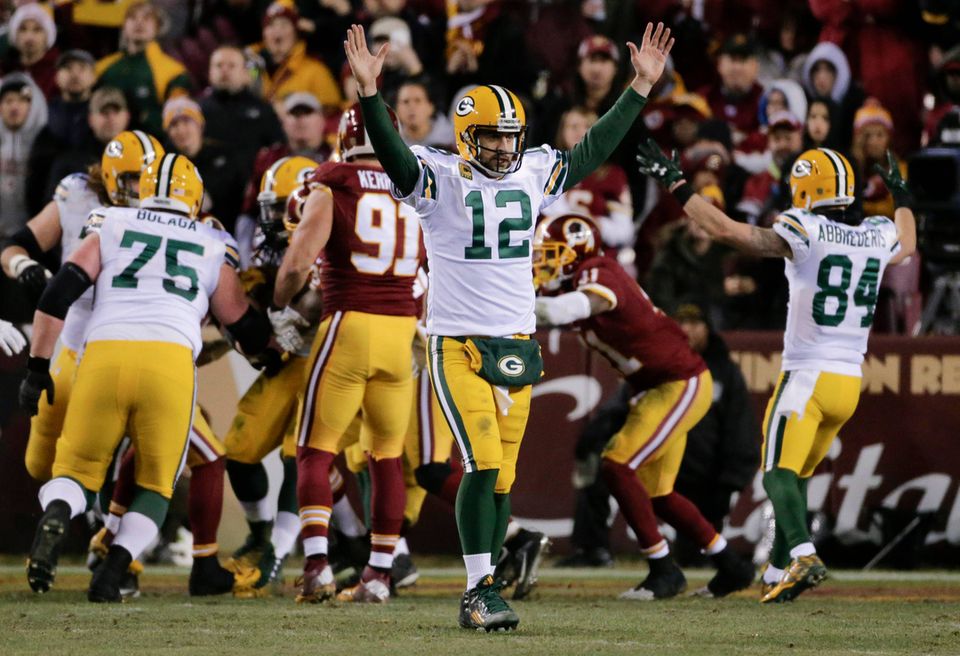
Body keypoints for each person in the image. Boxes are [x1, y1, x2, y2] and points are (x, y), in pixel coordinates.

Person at [345, 20, 673, 631]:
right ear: (466, 137)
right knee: (482, 464)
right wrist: (369, 94)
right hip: (458, 344)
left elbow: (590, 151)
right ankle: (476, 592)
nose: (505, 147)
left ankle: (488, 583)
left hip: (517, 342)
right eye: (493, 137)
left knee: (502, 481)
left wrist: (637, 90)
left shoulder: (531, 172)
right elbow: (394, 155)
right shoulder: (438, 177)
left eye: (510, 136)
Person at [637, 140, 916, 602]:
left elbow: (725, 230)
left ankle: (803, 554)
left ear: (806, 189)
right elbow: (907, 245)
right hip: (849, 382)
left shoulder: (806, 228)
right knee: (797, 476)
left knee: (775, 473)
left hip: (808, 375)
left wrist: (676, 184)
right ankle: (779, 571)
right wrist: (902, 197)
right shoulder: (876, 231)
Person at [19, 152, 277, 602]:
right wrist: (269, 347)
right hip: (169, 362)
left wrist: (37, 368)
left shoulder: (112, 222)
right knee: (157, 484)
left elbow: (58, 294)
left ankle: (58, 511)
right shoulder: (210, 240)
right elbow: (241, 322)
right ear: (193, 196)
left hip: (104, 353)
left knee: (75, 472)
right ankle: (114, 571)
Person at [534, 214, 755, 600]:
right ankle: (731, 565)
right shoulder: (577, 281)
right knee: (659, 494)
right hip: (656, 386)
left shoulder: (597, 272)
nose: (543, 263)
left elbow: (560, 312)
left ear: (576, 253)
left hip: (677, 381)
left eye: (552, 254)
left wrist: (506, 298)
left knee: (617, 465)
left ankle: (663, 569)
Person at [272, 103, 421, 605]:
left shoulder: (334, 183)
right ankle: (379, 576)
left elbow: (298, 263)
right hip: (401, 332)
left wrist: (279, 303)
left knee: (315, 449)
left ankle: (318, 566)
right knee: (386, 456)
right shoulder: (416, 185)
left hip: (349, 325)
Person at [222, 155, 322, 598]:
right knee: (240, 450)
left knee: (299, 455)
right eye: (273, 206)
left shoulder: (330, 237)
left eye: (283, 205)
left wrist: (294, 317)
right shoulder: (276, 248)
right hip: (290, 362)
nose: (275, 216)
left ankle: (279, 553)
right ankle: (262, 534)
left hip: (327, 360)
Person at [95, 1, 192, 135]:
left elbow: (178, 119)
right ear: (124, 25)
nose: (139, 23)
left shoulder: (174, 72)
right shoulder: (102, 67)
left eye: (146, 18)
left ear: (158, 27)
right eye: (132, 17)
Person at [199, 46, 285, 180]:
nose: (224, 70)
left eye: (231, 66)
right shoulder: (197, 110)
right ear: (210, 72)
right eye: (219, 65)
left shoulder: (263, 110)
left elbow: (277, 149)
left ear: (245, 73)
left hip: (253, 183)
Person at [163, 97, 246, 233]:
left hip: (227, 233)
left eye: (186, 121)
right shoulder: (166, 164)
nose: (181, 130)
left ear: (200, 124)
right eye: (174, 125)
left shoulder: (226, 157)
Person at [42, 87, 130, 204]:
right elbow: (53, 204)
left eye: (116, 111)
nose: (111, 118)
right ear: (91, 119)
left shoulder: (142, 156)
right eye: (104, 112)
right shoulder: (71, 160)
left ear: (127, 116)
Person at [247, 2, 342, 109]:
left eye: (284, 25)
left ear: (296, 32)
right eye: (271, 25)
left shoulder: (316, 71)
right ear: (263, 33)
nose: (277, 31)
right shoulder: (248, 66)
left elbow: (333, 112)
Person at [0, 74, 48, 238]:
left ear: (32, 106)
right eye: (8, 101)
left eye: (21, 100)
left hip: (33, 236)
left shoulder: (45, 146)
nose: (14, 106)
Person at [0, 3, 59, 99]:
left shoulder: (58, 71)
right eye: (23, 29)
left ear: (48, 35)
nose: (29, 37)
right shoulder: (5, 69)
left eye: (37, 30)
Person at [395, 77, 454, 150]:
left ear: (430, 107)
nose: (411, 107)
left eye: (418, 101)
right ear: (396, 108)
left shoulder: (452, 139)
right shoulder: (391, 142)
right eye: (405, 102)